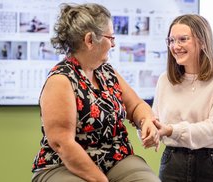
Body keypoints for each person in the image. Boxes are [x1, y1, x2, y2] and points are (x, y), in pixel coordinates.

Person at [31, 3, 160, 182]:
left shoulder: (107, 72)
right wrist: (100, 180)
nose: (114, 44)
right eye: (110, 37)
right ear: (90, 40)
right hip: (64, 164)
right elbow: (63, 145)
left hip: (115, 159)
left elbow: (136, 105)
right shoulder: (61, 80)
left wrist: (146, 121)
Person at [152, 14, 213, 182]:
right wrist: (147, 129)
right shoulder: (165, 79)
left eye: (183, 39)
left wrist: (172, 130)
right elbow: (156, 121)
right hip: (173, 161)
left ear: (202, 41)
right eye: (171, 40)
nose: (175, 46)